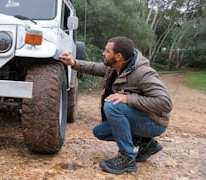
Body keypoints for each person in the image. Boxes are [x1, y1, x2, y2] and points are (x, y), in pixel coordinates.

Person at [59, 36, 173, 174]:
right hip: (141, 118)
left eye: (107, 51)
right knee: (100, 132)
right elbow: (96, 68)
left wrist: (129, 99)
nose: (103, 53)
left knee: (113, 105)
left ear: (118, 56)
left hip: (155, 123)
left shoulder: (144, 73)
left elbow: (165, 103)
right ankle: (147, 143)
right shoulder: (115, 67)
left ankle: (127, 158)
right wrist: (73, 63)